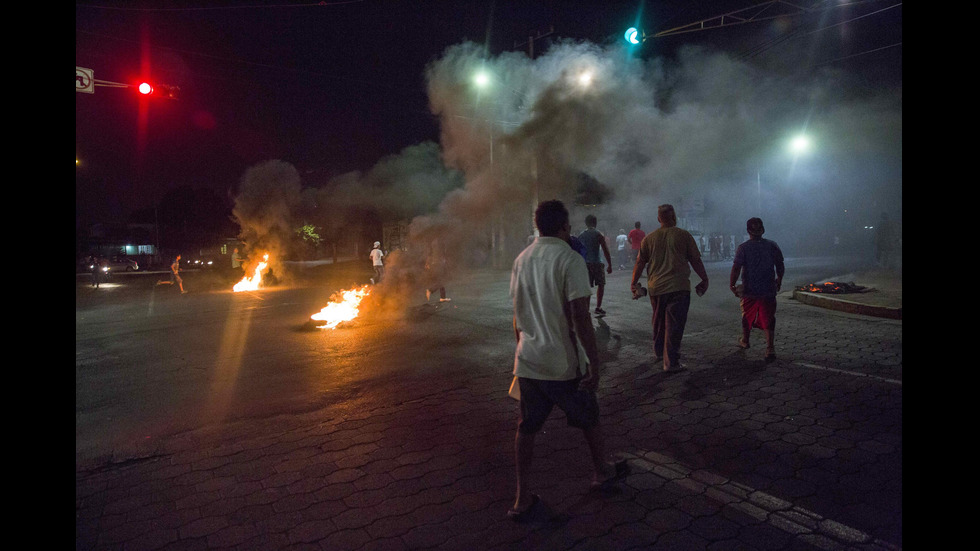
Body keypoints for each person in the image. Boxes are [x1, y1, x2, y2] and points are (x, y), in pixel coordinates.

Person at [508, 200, 629, 521]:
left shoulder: (521, 260)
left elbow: (517, 315)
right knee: (589, 416)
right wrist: (594, 361)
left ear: (538, 225)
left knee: (527, 427)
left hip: (529, 362)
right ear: (564, 227)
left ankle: (521, 498)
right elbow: (580, 316)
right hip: (563, 364)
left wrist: (522, 350)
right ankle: (601, 472)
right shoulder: (568, 258)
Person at [630, 204, 709, 373]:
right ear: (675, 217)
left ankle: (659, 353)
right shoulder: (684, 236)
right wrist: (704, 278)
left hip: (656, 288)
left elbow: (639, 262)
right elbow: (695, 260)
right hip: (678, 287)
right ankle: (671, 362)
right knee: (674, 324)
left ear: (659, 219)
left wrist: (633, 282)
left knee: (659, 321)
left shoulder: (649, 238)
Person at [730, 217, 784, 362]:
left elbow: (736, 268)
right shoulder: (772, 245)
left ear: (748, 231)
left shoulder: (743, 248)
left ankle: (745, 340)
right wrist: (779, 280)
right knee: (768, 317)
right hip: (768, 289)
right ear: (763, 230)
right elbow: (780, 265)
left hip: (750, 290)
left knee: (747, 315)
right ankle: (770, 348)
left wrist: (732, 285)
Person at [578, 215, 613, 316]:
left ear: (586, 223)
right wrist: (609, 264)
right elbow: (605, 250)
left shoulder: (581, 235)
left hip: (586, 264)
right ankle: (598, 307)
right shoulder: (598, 234)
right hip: (597, 262)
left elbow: (579, 251)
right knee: (601, 285)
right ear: (595, 222)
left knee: (587, 287)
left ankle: (586, 309)